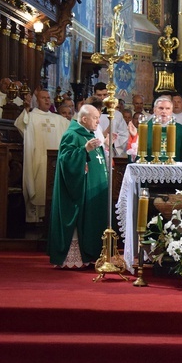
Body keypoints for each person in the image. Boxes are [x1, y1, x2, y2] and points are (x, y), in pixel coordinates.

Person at [47, 104, 108, 268]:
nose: (97, 121)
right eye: (95, 118)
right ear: (84, 119)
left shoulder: (90, 134)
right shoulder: (72, 134)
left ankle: (91, 256)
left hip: (93, 188)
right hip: (79, 189)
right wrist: (83, 151)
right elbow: (65, 159)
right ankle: (74, 259)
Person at [14, 89, 70, 223]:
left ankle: (52, 217)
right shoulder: (31, 116)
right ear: (37, 100)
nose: (47, 100)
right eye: (43, 98)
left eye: (48, 97)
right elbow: (20, 124)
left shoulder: (58, 119)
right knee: (37, 185)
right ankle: (35, 219)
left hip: (54, 161)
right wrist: (26, 109)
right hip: (38, 159)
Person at [137, 95, 182, 161]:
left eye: (167, 108)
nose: (164, 111)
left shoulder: (180, 130)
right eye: (161, 108)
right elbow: (135, 152)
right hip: (150, 168)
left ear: (171, 111)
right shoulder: (144, 128)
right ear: (154, 110)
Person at [93, 82, 129, 156]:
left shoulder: (117, 115)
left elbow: (124, 135)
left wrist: (113, 142)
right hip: (94, 150)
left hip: (110, 151)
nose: (102, 98)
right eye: (99, 95)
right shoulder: (89, 113)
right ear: (94, 95)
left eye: (105, 95)